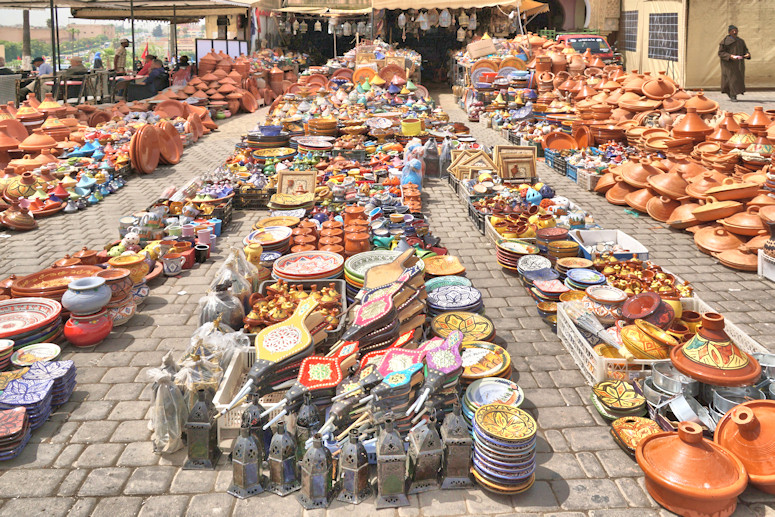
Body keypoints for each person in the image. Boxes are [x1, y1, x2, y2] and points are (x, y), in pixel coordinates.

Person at [718, 24, 750, 102]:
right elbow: (721, 53)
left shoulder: (741, 41)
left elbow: (745, 50)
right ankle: (733, 95)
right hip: (729, 64)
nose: (735, 32)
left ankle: (732, 93)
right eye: (733, 31)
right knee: (732, 79)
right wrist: (730, 56)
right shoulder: (725, 41)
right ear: (729, 32)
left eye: (736, 30)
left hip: (739, 63)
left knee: (738, 79)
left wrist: (747, 54)